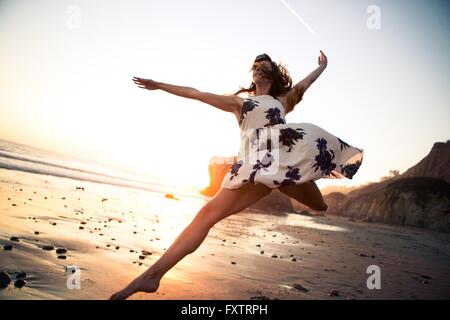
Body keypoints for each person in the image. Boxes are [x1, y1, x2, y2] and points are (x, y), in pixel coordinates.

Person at [109, 51, 364, 300]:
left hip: (282, 162)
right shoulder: (239, 103)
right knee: (206, 216)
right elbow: (197, 94)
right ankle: (152, 276)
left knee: (321, 205)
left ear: (273, 73)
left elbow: (306, 83)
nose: (257, 68)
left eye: (263, 65)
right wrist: (160, 85)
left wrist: (322, 66)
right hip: (253, 168)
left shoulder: (284, 100)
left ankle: (285, 177)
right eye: (254, 65)